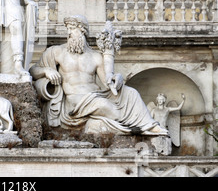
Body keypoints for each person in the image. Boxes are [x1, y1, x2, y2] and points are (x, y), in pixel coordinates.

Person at [30, 15, 168, 135]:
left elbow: (108, 81)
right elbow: (32, 71)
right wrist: (46, 71)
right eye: (67, 29)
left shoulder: (96, 57)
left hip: (94, 97)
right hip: (74, 103)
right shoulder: (56, 52)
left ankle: (150, 125)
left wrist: (117, 78)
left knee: (131, 93)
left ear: (82, 30)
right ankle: (140, 126)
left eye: (72, 29)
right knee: (107, 107)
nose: (68, 33)